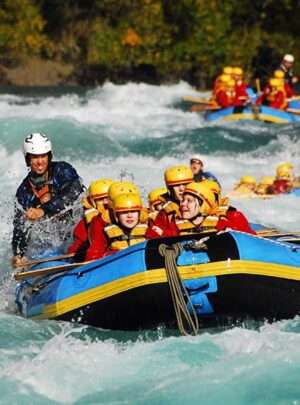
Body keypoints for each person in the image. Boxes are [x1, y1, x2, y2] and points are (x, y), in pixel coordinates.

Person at [12, 133, 84, 267]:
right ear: (28, 159)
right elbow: (19, 228)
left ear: (49, 156)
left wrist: (43, 210)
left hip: (78, 228)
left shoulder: (63, 170)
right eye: (35, 157)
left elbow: (73, 192)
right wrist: (18, 255)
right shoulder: (24, 192)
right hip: (55, 243)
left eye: (43, 156)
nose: (40, 162)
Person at [86, 193, 147, 260]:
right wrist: (110, 255)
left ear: (140, 214)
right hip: (118, 264)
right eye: (124, 212)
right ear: (116, 215)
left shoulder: (148, 229)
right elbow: (93, 254)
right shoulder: (107, 232)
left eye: (133, 211)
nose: (129, 216)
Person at [67, 178, 113, 257]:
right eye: (101, 199)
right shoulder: (83, 225)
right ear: (93, 203)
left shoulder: (128, 217)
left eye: (109, 198)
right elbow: (74, 249)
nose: (106, 202)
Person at [146, 165, 193, 238]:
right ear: (170, 189)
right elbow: (152, 235)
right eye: (176, 185)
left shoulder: (205, 206)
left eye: (185, 184)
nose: (181, 189)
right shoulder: (165, 213)